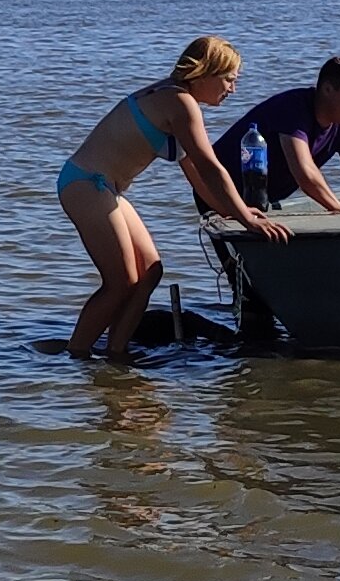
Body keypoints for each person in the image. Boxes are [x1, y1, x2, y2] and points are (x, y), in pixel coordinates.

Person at [56, 33, 287, 360]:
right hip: (86, 184)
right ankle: (76, 355)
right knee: (120, 281)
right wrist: (244, 217)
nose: (232, 89)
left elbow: (194, 171)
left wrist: (228, 211)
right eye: (229, 80)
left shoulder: (178, 101)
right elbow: (211, 167)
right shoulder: (180, 102)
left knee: (151, 271)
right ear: (205, 73)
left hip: (105, 188)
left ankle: (116, 355)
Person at [214, 55, 340, 214]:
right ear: (327, 89)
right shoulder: (293, 109)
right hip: (217, 194)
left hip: (258, 202)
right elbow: (305, 174)